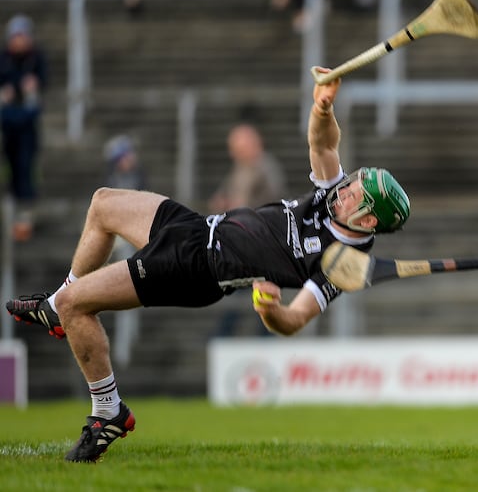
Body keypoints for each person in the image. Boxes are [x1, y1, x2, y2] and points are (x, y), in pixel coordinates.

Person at [5, 67, 411, 463]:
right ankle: (56, 306)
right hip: (196, 228)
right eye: (352, 183)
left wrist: (271, 311)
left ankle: (107, 410)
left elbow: (295, 320)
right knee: (103, 203)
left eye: (355, 195)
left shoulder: (340, 263)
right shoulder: (329, 199)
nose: (344, 192)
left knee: (80, 305)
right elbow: (323, 147)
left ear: (369, 220)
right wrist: (323, 108)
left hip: (196, 268)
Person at [207, 123, 289, 337]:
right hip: (242, 245)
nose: (233, 153)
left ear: (254, 144)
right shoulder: (240, 169)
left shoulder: (266, 168)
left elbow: (273, 204)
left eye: (238, 147)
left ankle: (240, 339)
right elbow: (224, 196)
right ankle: (223, 338)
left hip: (262, 246)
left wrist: (239, 208)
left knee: (256, 296)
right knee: (240, 294)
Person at [0, 13, 48, 241]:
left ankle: (24, 219)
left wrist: (31, 91)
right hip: (7, 124)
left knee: (27, 168)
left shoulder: (36, 59)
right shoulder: (4, 60)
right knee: (9, 170)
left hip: (27, 125)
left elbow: (40, 89)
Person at [207, 123, 288, 213]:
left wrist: (245, 205)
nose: (232, 154)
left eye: (239, 150)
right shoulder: (239, 167)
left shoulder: (267, 167)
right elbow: (223, 193)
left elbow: (274, 198)